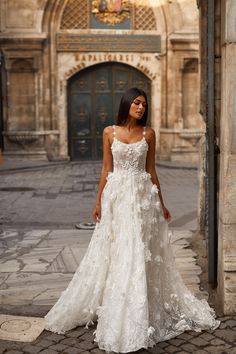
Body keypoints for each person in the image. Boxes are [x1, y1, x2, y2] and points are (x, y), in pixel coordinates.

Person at [45, 88, 220, 353]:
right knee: (118, 250)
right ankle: (117, 304)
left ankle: (138, 310)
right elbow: (106, 168)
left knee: (139, 250)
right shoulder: (109, 132)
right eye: (136, 103)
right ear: (126, 104)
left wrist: (161, 204)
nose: (140, 108)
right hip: (116, 197)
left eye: (143, 105)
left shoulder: (149, 133)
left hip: (141, 198)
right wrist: (97, 201)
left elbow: (151, 170)